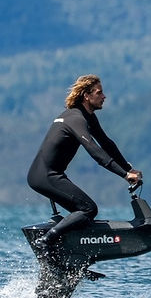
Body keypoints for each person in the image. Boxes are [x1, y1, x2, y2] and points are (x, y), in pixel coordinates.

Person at [27, 74, 142, 252]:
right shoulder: (76, 118)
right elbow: (95, 151)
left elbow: (107, 144)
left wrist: (128, 169)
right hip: (46, 176)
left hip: (46, 174)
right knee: (88, 209)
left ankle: (68, 253)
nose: (104, 96)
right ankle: (46, 241)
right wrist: (125, 175)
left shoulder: (87, 117)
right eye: (99, 92)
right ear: (86, 96)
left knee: (82, 215)